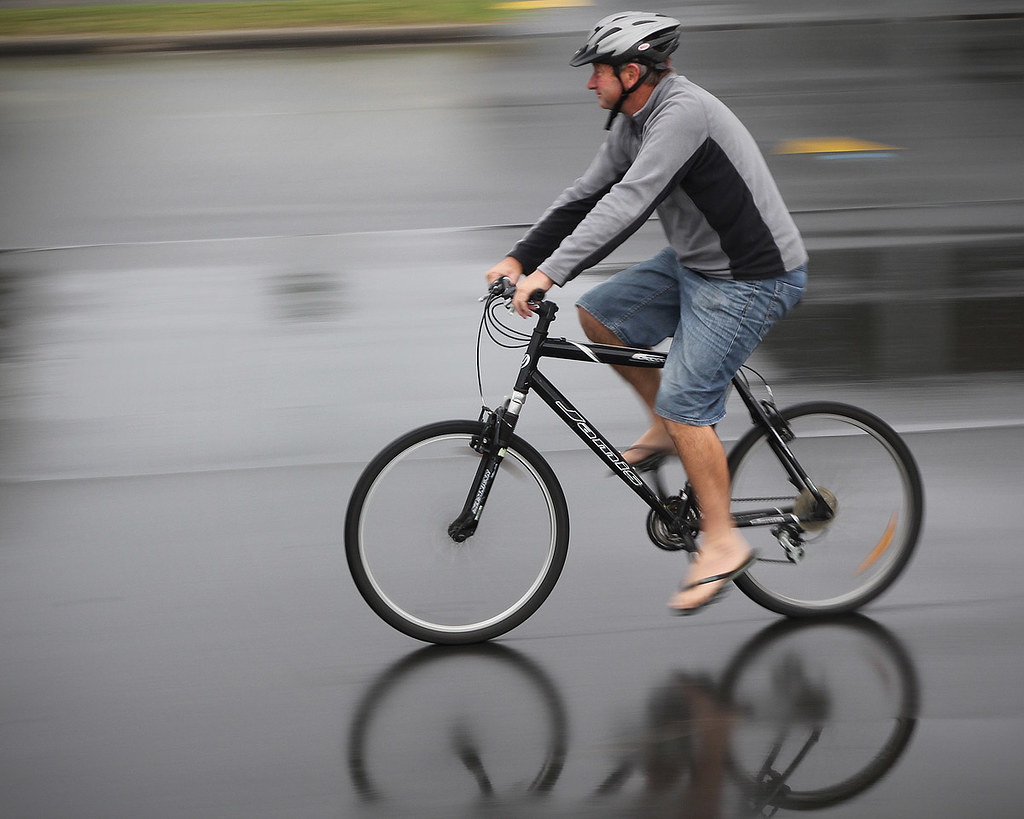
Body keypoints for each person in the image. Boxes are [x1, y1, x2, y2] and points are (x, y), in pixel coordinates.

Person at [484, 11, 808, 614]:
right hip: (699, 262)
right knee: (602, 316)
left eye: (597, 73)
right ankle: (667, 426)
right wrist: (519, 256)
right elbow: (586, 193)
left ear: (632, 73)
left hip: (752, 275)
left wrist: (549, 273)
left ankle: (721, 542)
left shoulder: (681, 116)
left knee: (689, 405)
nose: (589, 84)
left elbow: (628, 204)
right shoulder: (632, 119)